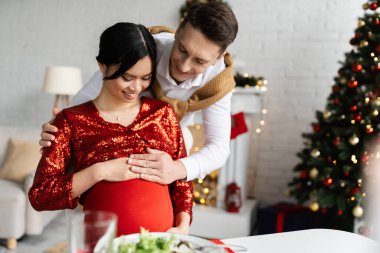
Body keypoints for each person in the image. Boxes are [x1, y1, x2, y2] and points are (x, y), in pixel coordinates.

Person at [39, 2, 238, 185]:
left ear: (218, 58)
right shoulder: (145, 48)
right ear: (178, 29)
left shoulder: (218, 83)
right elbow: (91, 96)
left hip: (163, 152)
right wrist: (60, 128)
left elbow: (219, 147)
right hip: (112, 139)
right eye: (182, 50)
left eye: (199, 61)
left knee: (185, 137)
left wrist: (177, 168)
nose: (184, 66)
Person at [29, 22, 193, 236]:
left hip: (162, 243)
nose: (136, 88)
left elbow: (180, 182)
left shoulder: (162, 114)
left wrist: (183, 226)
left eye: (145, 78)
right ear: (102, 66)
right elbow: (41, 196)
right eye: (127, 77)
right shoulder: (71, 122)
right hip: (103, 245)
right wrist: (100, 171)